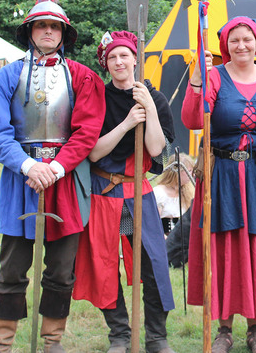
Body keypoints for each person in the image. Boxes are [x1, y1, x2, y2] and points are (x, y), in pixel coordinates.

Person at [0, 0, 105, 353]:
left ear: (63, 33)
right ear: (30, 31)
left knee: (61, 272)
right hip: (21, 180)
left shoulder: (82, 77)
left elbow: (86, 130)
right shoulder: (5, 78)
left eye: (54, 27)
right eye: (41, 26)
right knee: (12, 269)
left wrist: (55, 167)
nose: (48, 32)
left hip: (64, 181)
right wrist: (28, 166)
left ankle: (53, 341)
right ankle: (2, 343)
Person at [182, 16, 256, 353]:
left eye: (247, 39)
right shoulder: (214, 76)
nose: (241, 45)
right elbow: (192, 120)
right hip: (223, 176)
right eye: (234, 40)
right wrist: (196, 80)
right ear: (225, 46)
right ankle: (223, 329)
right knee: (225, 248)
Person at [72, 30, 177, 353]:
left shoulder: (154, 97)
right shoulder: (97, 98)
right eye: (112, 57)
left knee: (153, 264)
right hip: (103, 191)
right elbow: (93, 153)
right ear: (105, 63)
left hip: (136, 192)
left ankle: (156, 338)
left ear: (135, 59)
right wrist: (129, 122)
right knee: (103, 267)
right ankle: (119, 335)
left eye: (124, 56)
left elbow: (156, 149)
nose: (119, 62)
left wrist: (149, 108)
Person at [154, 154, 195, 236]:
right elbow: (154, 225)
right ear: (177, 171)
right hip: (163, 240)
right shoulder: (159, 193)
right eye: (189, 170)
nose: (192, 175)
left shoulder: (189, 192)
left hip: (183, 240)